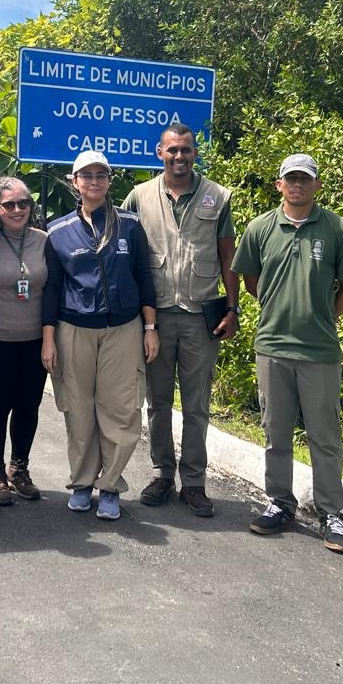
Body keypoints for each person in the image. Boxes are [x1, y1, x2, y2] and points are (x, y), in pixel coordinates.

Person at [230, 153, 343, 554]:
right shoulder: (260, 228)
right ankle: (279, 503)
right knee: (276, 433)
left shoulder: (339, 229)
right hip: (272, 345)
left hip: (319, 350)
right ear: (279, 184)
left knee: (325, 436)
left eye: (305, 179)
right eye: (291, 179)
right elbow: (250, 280)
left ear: (317, 185)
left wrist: (323, 317)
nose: (298, 185)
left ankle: (331, 515)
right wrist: (275, 305)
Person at [123, 123, 240, 517]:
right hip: (154, 316)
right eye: (172, 150)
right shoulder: (139, 197)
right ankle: (161, 473)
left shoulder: (217, 197)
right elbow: (128, 257)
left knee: (197, 404)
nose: (179, 156)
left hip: (199, 316)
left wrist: (232, 309)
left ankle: (193, 481)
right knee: (156, 402)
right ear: (160, 152)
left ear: (194, 153)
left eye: (186, 150)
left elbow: (229, 258)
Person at [41, 150, 158, 521]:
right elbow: (52, 287)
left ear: (109, 181)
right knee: (78, 409)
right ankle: (80, 483)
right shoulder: (58, 231)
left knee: (120, 409)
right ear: (74, 182)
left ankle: (110, 487)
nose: (94, 182)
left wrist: (150, 328)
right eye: (86, 176)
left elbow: (144, 277)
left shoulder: (131, 224)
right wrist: (48, 338)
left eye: (101, 175)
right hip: (74, 329)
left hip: (123, 329)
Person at [0, 176, 49, 503]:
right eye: (9, 204)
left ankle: (19, 467)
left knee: (27, 407)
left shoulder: (44, 241)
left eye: (24, 203)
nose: (18, 209)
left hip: (35, 340)